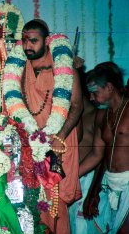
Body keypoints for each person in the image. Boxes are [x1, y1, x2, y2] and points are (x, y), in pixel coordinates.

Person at [3, 19, 82, 233]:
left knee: (55, 199)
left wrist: (60, 135)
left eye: (34, 41)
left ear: (47, 41)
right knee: (31, 198)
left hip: (58, 140)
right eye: (25, 41)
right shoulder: (18, 69)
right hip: (30, 140)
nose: (28, 46)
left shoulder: (64, 66)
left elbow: (76, 106)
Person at [79, 62, 129, 234]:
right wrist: (72, 178)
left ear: (109, 87)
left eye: (94, 92)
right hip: (111, 183)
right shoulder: (101, 115)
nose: (91, 98)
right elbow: (97, 155)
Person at [68, 67, 98, 234]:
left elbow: (99, 155)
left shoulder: (96, 115)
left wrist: (75, 174)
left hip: (84, 178)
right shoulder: (65, 114)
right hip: (68, 178)